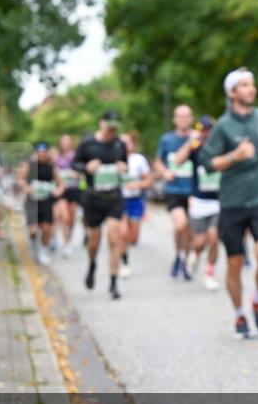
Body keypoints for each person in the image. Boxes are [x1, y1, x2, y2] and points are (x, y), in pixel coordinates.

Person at [199, 68, 258, 338]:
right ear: (232, 92)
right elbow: (208, 164)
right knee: (234, 263)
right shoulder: (222, 126)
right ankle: (239, 315)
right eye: (245, 85)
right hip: (232, 201)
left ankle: (257, 299)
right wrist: (235, 155)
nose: (252, 89)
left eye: (252, 84)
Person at [73, 110, 129, 300]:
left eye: (115, 127)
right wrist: (86, 167)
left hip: (114, 196)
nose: (112, 130)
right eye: (110, 126)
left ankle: (113, 282)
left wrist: (123, 168)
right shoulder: (88, 143)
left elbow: (125, 165)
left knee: (115, 237)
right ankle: (92, 264)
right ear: (101, 123)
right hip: (93, 197)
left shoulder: (120, 144)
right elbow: (75, 164)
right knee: (94, 240)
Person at [171, 115, 222, 291]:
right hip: (199, 201)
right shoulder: (195, 147)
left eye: (210, 130)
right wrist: (190, 142)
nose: (207, 133)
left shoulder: (221, 146)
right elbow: (178, 161)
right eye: (203, 130)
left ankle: (209, 273)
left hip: (219, 200)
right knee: (199, 242)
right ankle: (193, 254)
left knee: (214, 237)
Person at [156, 104, 196, 280]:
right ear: (174, 119)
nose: (183, 119)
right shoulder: (166, 140)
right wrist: (165, 172)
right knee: (180, 224)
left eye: (186, 116)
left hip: (193, 190)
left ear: (192, 118)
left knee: (189, 229)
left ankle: (184, 259)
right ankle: (179, 254)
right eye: (180, 116)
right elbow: (157, 161)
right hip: (174, 189)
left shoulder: (197, 139)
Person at [20, 142, 63, 266]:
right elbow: (20, 179)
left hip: (46, 201)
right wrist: (26, 187)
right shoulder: (29, 165)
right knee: (33, 230)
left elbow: (60, 183)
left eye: (44, 154)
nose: (42, 156)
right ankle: (35, 244)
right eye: (40, 153)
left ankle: (43, 250)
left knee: (46, 228)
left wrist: (58, 191)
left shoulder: (51, 167)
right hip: (32, 201)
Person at [119, 131, 154, 279]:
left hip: (135, 200)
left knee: (133, 237)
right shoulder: (111, 159)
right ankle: (124, 263)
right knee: (123, 233)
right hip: (118, 201)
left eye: (128, 142)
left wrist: (138, 184)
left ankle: (124, 250)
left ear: (133, 144)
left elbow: (149, 180)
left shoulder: (139, 160)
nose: (125, 145)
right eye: (122, 142)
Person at [54, 134, 82, 257]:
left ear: (71, 143)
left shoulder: (76, 156)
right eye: (63, 141)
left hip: (74, 190)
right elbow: (53, 173)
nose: (65, 143)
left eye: (67, 141)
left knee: (71, 218)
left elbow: (81, 173)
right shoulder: (56, 157)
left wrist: (74, 174)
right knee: (64, 217)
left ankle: (69, 237)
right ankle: (67, 243)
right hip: (62, 191)